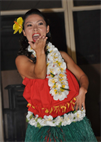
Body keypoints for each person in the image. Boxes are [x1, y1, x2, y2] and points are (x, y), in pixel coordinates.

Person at [13, 9, 97, 142]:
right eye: (29, 25)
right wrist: (39, 52)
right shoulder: (22, 60)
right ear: (24, 32)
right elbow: (40, 74)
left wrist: (83, 89)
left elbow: (82, 76)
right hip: (44, 127)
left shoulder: (61, 56)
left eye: (40, 24)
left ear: (46, 29)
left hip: (72, 121)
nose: (35, 28)